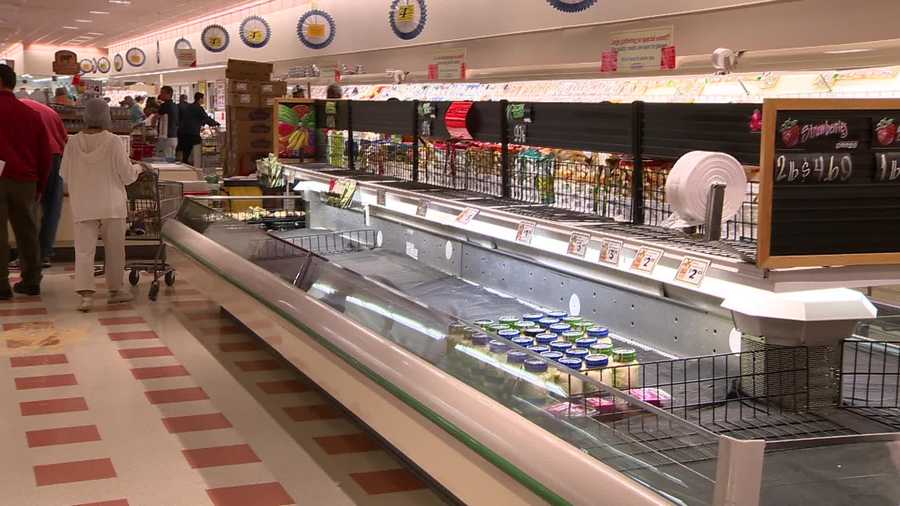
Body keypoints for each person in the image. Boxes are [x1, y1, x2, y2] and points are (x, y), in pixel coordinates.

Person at [61, 98, 144, 311]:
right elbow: (127, 176)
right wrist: (139, 169)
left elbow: (65, 175)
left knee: (83, 251)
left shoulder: (72, 142)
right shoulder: (113, 141)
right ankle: (115, 291)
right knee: (115, 249)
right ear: (107, 116)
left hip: (83, 204)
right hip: (112, 205)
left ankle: (86, 296)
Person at [0, 64, 50, 299]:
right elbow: (45, 155)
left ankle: (1, 285)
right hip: (25, 181)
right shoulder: (32, 116)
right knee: (27, 232)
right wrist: (39, 186)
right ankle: (31, 281)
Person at [20, 98, 68, 267]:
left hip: (33, 156)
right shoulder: (47, 110)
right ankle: (44, 253)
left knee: (28, 206)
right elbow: (64, 139)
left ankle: (29, 256)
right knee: (52, 207)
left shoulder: (13, 110)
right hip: (56, 157)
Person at [179, 92, 220, 165]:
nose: (203, 100)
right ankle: (195, 166)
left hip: (183, 133)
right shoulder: (198, 108)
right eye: (203, 99)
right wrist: (216, 123)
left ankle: (185, 166)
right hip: (193, 133)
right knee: (197, 148)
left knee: (186, 153)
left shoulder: (189, 107)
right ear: (200, 99)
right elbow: (206, 119)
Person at [156, 86, 179, 160]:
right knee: (172, 159)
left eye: (162, 93)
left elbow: (156, 117)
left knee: (164, 160)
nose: (160, 95)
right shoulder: (175, 106)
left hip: (165, 137)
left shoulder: (165, 105)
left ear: (169, 94)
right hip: (174, 137)